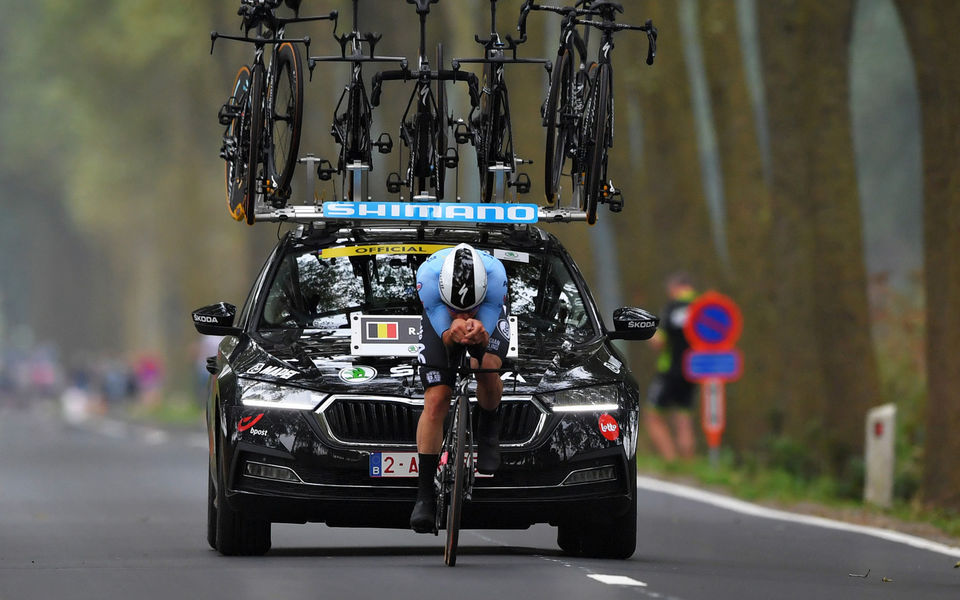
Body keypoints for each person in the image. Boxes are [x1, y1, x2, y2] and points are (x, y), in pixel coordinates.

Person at [410, 243, 510, 533]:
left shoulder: (496, 277)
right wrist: (451, 330)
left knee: (486, 365)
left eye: (467, 310)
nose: (463, 315)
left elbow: (486, 330)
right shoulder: (427, 278)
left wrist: (479, 333)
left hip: (489, 310)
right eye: (457, 310)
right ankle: (424, 496)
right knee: (438, 397)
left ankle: (488, 428)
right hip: (438, 314)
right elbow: (445, 337)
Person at [645, 272, 698, 461]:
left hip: (669, 371)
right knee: (684, 418)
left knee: (653, 416)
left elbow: (659, 341)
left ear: (675, 287)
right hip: (694, 370)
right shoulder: (702, 307)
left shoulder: (672, 308)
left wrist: (647, 332)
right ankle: (688, 464)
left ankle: (671, 461)